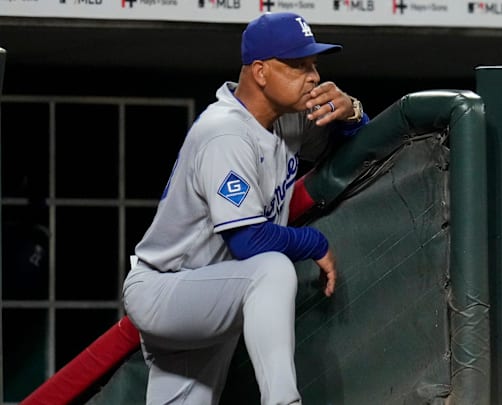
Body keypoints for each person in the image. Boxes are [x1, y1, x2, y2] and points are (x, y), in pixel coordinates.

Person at [122, 12, 369, 405]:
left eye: (314, 64)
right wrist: (313, 242)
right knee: (271, 268)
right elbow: (248, 240)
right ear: (260, 72)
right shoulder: (225, 132)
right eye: (297, 65)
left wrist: (352, 112)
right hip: (168, 289)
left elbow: (356, 151)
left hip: (217, 287)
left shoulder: (287, 121)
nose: (312, 76)